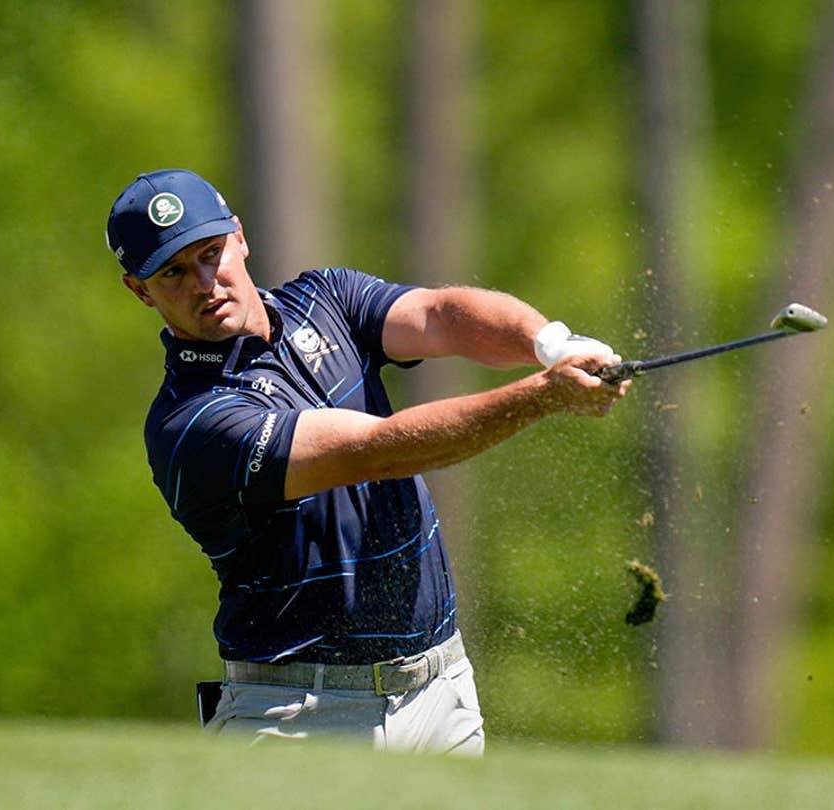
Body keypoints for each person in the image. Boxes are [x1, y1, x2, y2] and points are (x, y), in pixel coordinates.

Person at [107, 168, 631, 754]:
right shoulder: (191, 422)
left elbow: (440, 315)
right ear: (141, 290)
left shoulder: (325, 299)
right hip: (300, 713)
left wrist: (550, 343)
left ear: (240, 237)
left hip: (441, 690)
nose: (205, 283)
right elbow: (379, 451)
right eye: (174, 272)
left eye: (211, 253)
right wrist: (542, 396)